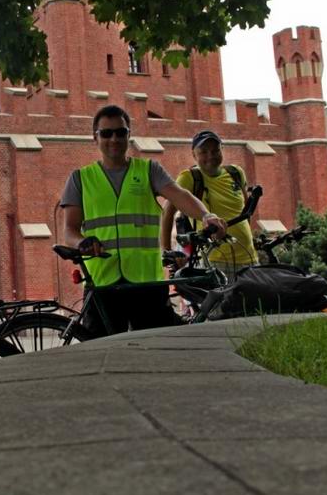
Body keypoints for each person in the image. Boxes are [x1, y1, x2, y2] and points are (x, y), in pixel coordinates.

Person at [60, 105, 226, 337]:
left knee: (156, 351)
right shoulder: (80, 178)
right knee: (100, 353)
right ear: (94, 138)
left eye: (120, 132)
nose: (114, 138)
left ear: (129, 135)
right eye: (106, 133)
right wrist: (82, 242)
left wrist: (207, 216)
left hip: (146, 282)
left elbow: (180, 196)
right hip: (103, 281)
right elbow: (69, 229)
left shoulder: (149, 170)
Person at [159, 130, 258, 281]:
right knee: (219, 305)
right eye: (204, 152)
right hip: (215, 261)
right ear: (194, 155)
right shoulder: (189, 178)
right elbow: (167, 212)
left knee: (252, 305)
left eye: (215, 150)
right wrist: (167, 251)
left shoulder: (236, 173)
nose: (210, 156)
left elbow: (246, 214)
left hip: (249, 257)